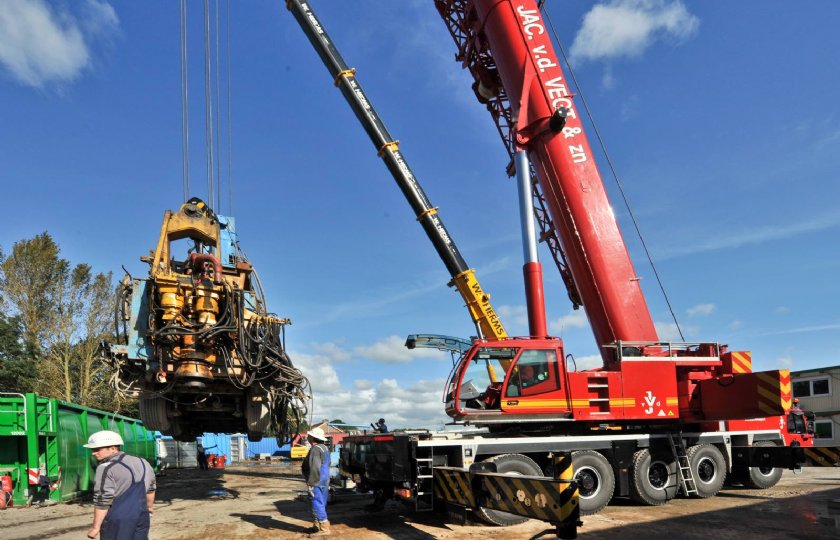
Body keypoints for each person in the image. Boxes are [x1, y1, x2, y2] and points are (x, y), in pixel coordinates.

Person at [84, 430, 156, 540]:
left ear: (113, 448)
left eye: (97, 449)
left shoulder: (105, 468)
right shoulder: (143, 462)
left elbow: (103, 500)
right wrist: (149, 507)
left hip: (119, 520)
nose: (93, 453)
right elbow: (151, 489)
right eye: (92, 449)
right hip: (142, 516)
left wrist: (95, 527)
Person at [301, 427, 331, 536]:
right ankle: (317, 526)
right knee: (321, 503)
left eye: (309, 435)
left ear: (313, 438)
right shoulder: (324, 448)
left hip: (317, 480)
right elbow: (328, 464)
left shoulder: (315, 449)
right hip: (325, 479)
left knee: (316, 503)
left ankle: (324, 529)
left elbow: (314, 467)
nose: (307, 437)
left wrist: (311, 483)